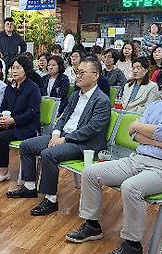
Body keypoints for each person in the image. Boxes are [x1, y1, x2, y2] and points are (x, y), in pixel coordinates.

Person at [66, 57, 162, 254]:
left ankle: (133, 244)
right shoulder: (157, 105)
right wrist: (160, 142)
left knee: (131, 188)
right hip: (138, 158)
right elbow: (134, 134)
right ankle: (92, 225)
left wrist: (146, 132)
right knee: (91, 173)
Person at [9, 58, 110, 216]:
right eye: (77, 72)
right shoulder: (76, 95)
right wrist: (56, 133)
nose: (78, 76)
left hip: (83, 144)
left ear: (95, 75)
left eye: (82, 73)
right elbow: (63, 117)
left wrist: (64, 139)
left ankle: (51, 200)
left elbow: (91, 129)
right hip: (63, 136)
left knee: (48, 154)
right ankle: (29, 187)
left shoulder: (102, 100)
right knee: (26, 145)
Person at [0, 56, 41, 183]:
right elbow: (3, 106)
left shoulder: (33, 88)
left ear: (26, 69)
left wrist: (13, 120)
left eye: (18, 67)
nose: (14, 70)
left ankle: (4, 171)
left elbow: (32, 113)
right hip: (9, 123)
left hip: (27, 126)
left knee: (1, 137)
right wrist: (2, 117)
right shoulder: (10, 86)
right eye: (13, 67)